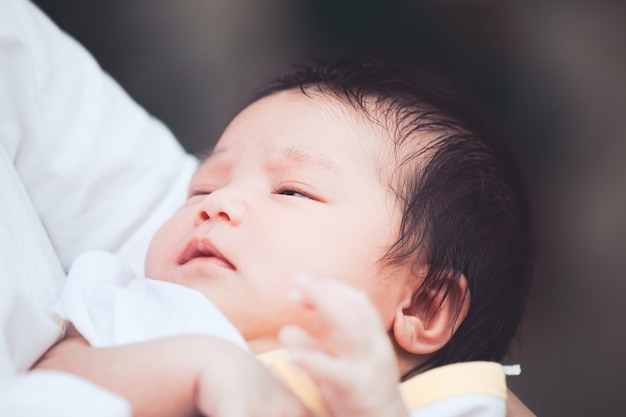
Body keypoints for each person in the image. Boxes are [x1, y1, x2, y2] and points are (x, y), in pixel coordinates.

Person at [0, 0, 536, 415]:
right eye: (202, 189)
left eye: (292, 192)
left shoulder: (449, 400)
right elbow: (50, 375)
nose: (220, 204)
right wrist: (199, 369)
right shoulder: (145, 308)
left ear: (423, 305)